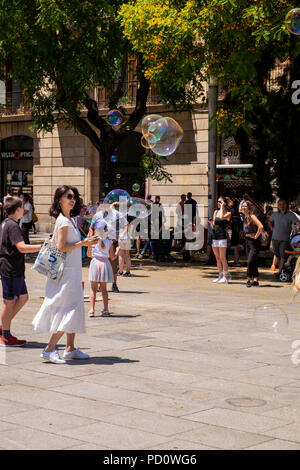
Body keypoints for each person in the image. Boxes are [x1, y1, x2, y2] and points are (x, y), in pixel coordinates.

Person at [32, 185, 98, 364]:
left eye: (74, 196)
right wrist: (83, 243)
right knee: (69, 308)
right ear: (59, 199)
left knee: (74, 306)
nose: (72, 199)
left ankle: (70, 348)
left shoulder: (71, 220)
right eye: (68, 196)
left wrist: (86, 243)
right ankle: (49, 349)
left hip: (72, 271)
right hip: (65, 273)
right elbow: (61, 248)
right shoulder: (63, 221)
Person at [0, 196, 41, 346]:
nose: (24, 209)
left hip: (13, 268)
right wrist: (42, 247)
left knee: (23, 297)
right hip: (10, 269)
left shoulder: (6, 223)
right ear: (17, 209)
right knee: (9, 302)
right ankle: (5, 335)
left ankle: (4, 325)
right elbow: (22, 247)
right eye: (22, 207)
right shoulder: (12, 226)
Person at [87, 231, 119, 317]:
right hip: (104, 263)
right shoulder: (109, 241)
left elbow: (89, 255)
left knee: (93, 289)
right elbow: (112, 257)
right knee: (104, 290)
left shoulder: (92, 240)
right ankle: (105, 310)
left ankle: (92, 310)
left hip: (95, 263)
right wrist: (117, 251)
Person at [269, 199, 300, 278]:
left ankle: (280, 272)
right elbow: (269, 220)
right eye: (279, 204)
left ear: (286, 205)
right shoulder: (275, 214)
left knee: (283, 256)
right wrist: (271, 227)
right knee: (277, 255)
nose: (281, 206)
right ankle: (281, 270)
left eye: (283, 204)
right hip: (274, 238)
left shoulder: (291, 215)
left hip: (284, 239)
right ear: (278, 206)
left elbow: (298, 223)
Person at [240, 201, 263, 287]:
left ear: (249, 208)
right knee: (253, 261)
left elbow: (261, 226)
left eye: (245, 206)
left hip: (253, 242)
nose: (243, 208)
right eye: (243, 206)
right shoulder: (245, 217)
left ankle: (248, 279)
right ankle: (256, 279)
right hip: (247, 241)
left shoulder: (252, 216)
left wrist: (256, 236)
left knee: (250, 261)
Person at [209, 196, 232, 283]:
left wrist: (222, 207)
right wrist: (211, 223)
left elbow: (222, 217)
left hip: (222, 236)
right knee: (217, 258)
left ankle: (225, 277)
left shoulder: (228, 213)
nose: (218, 203)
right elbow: (214, 225)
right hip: (215, 236)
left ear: (224, 203)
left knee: (223, 257)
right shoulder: (216, 211)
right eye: (218, 202)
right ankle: (220, 275)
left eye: (220, 202)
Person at [230, 199, 244, 267]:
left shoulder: (235, 210)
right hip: (236, 224)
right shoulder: (233, 210)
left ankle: (236, 261)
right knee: (236, 234)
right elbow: (231, 216)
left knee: (236, 234)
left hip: (236, 225)